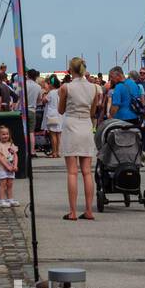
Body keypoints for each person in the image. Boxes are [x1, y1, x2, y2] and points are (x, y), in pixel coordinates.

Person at [58, 56, 100, 220]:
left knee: (72, 172)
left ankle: (73, 211)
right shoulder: (95, 88)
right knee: (87, 172)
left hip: (71, 125)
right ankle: (89, 210)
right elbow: (92, 111)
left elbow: (61, 110)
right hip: (85, 126)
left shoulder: (65, 88)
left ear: (70, 70)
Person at [0, 125, 19, 207]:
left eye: (7, 134)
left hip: (11, 168)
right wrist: (7, 167)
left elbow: (15, 155)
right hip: (2, 169)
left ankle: (10, 199)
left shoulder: (11, 144)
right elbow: (0, 158)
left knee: (10, 184)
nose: (5, 136)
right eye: (3, 134)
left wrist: (15, 165)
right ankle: (2, 200)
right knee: (3, 184)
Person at [43, 76, 63, 157]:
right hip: (60, 115)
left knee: (53, 135)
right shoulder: (60, 91)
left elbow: (44, 100)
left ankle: (54, 152)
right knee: (59, 135)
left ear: (51, 84)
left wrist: (45, 93)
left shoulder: (51, 92)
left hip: (52, 115)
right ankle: (58, 152)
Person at [24, 67, 42, 155]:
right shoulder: (38, 87)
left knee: (23, 131)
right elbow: (39, 100)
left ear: (27, 75)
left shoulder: (23, 84)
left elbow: (17, 96)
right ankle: (32, 151)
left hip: (23, 110)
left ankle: (24, 150)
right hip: (32, 110)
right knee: (31, 132)